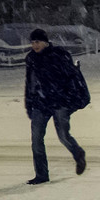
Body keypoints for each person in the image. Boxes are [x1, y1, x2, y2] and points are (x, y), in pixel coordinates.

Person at [24, 29, 87, 184]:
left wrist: (68, 98)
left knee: (63, 135)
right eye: (32, 42)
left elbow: (71, 77)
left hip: (60, 102)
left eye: (37, 42)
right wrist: (29, 103)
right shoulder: (31, 59)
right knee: (36, 139)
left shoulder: (58, 55)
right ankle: (41, 175)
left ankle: (78, 154)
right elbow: (29, 83)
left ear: (45, 42)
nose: (35, 45)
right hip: (41, 103)